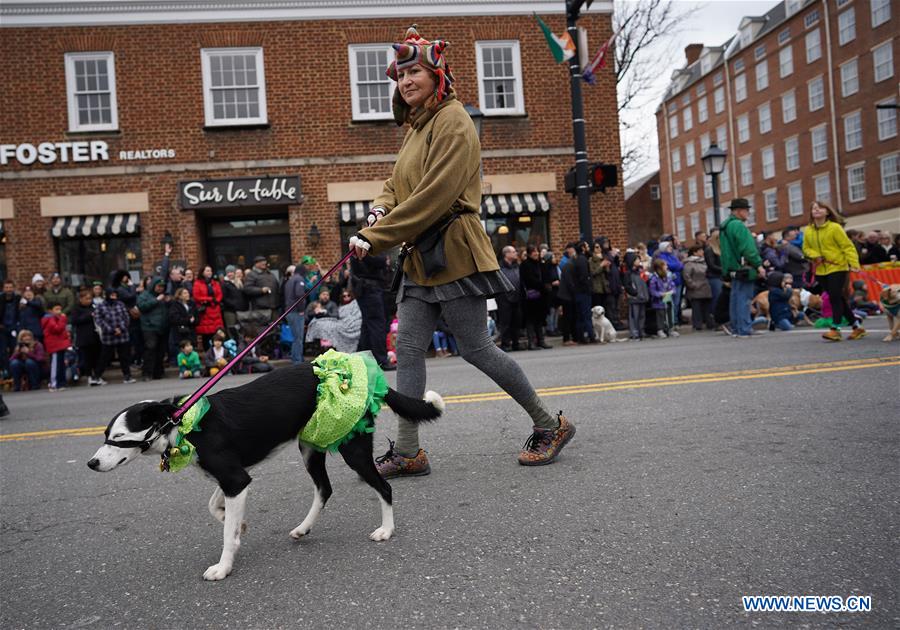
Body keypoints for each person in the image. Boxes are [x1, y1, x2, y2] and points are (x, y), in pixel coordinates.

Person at [351, 26, 575, 475]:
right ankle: (410, 451)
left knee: (477, 349)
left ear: (437, 74)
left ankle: (549, 424)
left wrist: (379, 236)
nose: (406, 81)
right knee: (409, 349)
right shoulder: (416, 129)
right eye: (399, 75)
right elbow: (396, 185)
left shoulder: (453, 119)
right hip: (418, 259)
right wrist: (379, 211)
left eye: (414, 71)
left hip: (454, 251)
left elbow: (436, 194)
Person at [802, 200, 865, 341]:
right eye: (814, 209)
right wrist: (814, 255)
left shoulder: (835, 228)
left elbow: (847, 246)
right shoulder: (808, 230)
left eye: (820, 208)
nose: (816, 210)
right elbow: (806, 248)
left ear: (827, 211)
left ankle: (835, 329)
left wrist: (854, 263)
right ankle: (856, 327)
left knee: (834, 297)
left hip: (837, 266)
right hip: (820, 269)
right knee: (838, 298)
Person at [719, 198, 766, 339]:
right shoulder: (739, 226)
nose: (748, 213)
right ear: (739, 211)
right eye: (747, 210)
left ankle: (736, 328)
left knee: (735, 297)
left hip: (732, 267)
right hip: (744, 267)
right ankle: (744, 328)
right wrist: (758, 265)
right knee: (744, 299)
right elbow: (748, 248)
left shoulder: (725, 227)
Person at [351, 252, 393, 369]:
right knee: (376, 325)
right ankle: (380, 360)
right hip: (370, 290)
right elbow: (380, 261)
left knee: (367, 326)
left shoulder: (358, 245)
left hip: (365, 289)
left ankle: (366, 360)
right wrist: (384, 258)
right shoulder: (366, 246)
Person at [94, 287, 136, 384]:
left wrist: (120, 328)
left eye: (115, 295)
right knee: (105, 357)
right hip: (109, 336)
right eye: (112, 295)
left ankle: (127, 376)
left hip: (122, 334)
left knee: (124, 356)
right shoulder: (101, 306)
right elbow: (99, 319)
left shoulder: (120, 304)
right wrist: (111, 330)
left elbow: (126, 317)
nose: (114, 297)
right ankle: (97, 376)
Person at [304, 289, 362, 353]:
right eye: (324, 294)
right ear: (319, 295)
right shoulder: (313, 304)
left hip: (330, 324)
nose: (325, 296)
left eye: (327, 295)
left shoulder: (332, 304)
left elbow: (335, 316)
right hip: (316, 325)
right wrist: (315, 312)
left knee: (329, 327)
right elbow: (306, 316)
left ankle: (327, 348)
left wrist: (325, 312)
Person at [519, 244, 551, 350]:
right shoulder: (525, 265)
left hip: (541, 297)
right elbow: (529, 280)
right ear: (529, 253)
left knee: (540, 319)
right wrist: (542, 286)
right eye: (533, 251)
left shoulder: (541, 264)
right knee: (530, 320)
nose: (536, 253)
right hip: (530, 297)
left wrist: (546, 285)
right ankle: (531, 342)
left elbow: (546, 276)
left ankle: (541, 340)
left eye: (537, 251)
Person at [137, 278, 169, 381]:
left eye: (162, 287)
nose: (161, 289)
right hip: (149, 327)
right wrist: (156, 300)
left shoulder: (163, 296)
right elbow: (142, 306)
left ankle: (158, 373)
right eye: (159, 286)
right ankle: (147, 373)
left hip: (162, 327)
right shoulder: (144, 295)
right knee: (150, 349)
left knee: (161, 351)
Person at [71, 288, 104, 386]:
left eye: (90, 298)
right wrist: (89, 315)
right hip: (84, 337)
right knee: (87, 358)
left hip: (95, 336)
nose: (88, 301)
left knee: (97, 357)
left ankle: (97, 376)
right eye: (86, 299)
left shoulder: (94, 307)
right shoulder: (76, 309)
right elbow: (75, 320)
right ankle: (89, 376)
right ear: (81, 299)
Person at [496, 245, 523, 351]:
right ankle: (505, 344)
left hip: (517, 297)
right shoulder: (500, 267)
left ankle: (516, 343)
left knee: (516, 322)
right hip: (504, 298)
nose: (516, 253)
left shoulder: (517, 266)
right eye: (513, 252)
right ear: (506, 254)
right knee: (505, 322)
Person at [282, 260, 310, 364]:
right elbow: (299, 295)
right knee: (298, 338)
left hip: (289, 311)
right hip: (296, 312)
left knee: (295, 337)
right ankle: (297, 361)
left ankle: (296, 359)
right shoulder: (299, 279)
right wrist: (302, 310)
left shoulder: (290, 280)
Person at [40, 303, 71, 392]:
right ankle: (54, 383)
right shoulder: (50, 319)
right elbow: (56, 329)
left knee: (61, 364)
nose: (59, 311)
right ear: (50, 311)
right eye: (56, 309)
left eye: (60, 309)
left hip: (60, 344)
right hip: (54, 345)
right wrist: (63, 319)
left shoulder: (56, 318)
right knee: (56, 365)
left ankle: (61, 382)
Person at [193, 265, 225, 349]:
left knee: (216, 333)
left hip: (215, 309)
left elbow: (219, 294)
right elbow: (197, 296)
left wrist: (216, 300)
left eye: (210, 271)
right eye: (207, 271)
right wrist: (210, 299)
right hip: (205, 310)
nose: (209, 272)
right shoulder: (197, 283)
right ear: (202, 272)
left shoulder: (215, 283)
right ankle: (208, 352)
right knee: (206, 334)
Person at [683, 245, 713, 331]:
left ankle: (709, 323)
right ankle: (697, 324)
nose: (702, 252)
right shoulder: (689, 263)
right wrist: (692, 285)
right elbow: (686, 276)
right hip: (696, 288)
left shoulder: (704, 261)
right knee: (696, 308)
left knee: (707, 307)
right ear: (694, 252)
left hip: (705, 287)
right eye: (700, 251)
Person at [243, 255, 280, 322]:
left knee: (276, 328)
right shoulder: (252, 274)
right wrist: (261, 290)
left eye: (264, 261)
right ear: (256, 264)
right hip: (261, 309)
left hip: (274, 308)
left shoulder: (270, 274)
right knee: (264, 329)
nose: (264, 263)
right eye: (261, 262)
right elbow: (247, 289)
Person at [622, 251, 649, 340]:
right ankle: (634, 332)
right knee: (634, 315)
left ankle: (642, 331)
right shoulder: (628, 273)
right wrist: (634, 292)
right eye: (637, 259)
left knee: (642, 315)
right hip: (634, 297)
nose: (639, 261)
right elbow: (627, 285)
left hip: (642, 296)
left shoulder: (640, 272)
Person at [649, 258, 676, 338]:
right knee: (660, 315)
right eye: (665, 265)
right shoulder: (654, 279)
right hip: (658, 301)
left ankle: (670, 329)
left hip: (668, 299)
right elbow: (653, 291)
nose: (667, 267)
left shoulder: (667, 276)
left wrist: (671, 291)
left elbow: (672, 285)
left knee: (669, 313)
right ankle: (660, 330)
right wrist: (661, 294)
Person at [221, 264, 248, 338]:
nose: (230, 274)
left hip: (240, 310)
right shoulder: (224, 284)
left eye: (231, 272)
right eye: (228, 272)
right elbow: (224, 298)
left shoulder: (239, 282)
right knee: (231, 329)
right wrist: (234, 304)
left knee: (241, 328)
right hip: (230, 311)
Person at [1, 280, 20, 377]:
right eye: (6, 287)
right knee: (3, 352)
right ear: (3, 289)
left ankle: (14, 373)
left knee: (14, 350)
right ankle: (6, 371)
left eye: (10, 287)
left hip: (14, 327)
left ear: (13, 288)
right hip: (2, 328)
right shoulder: (1, 299)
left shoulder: (18, 299)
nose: (8, 289)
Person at [704, 228, 724, 311]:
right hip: (714, 277)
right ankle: (714, 319)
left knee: (721, 299)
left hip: (721, 276)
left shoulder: (720, 249)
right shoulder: (709, 249)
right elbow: (711, 265)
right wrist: (724, 269)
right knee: (717, 298)